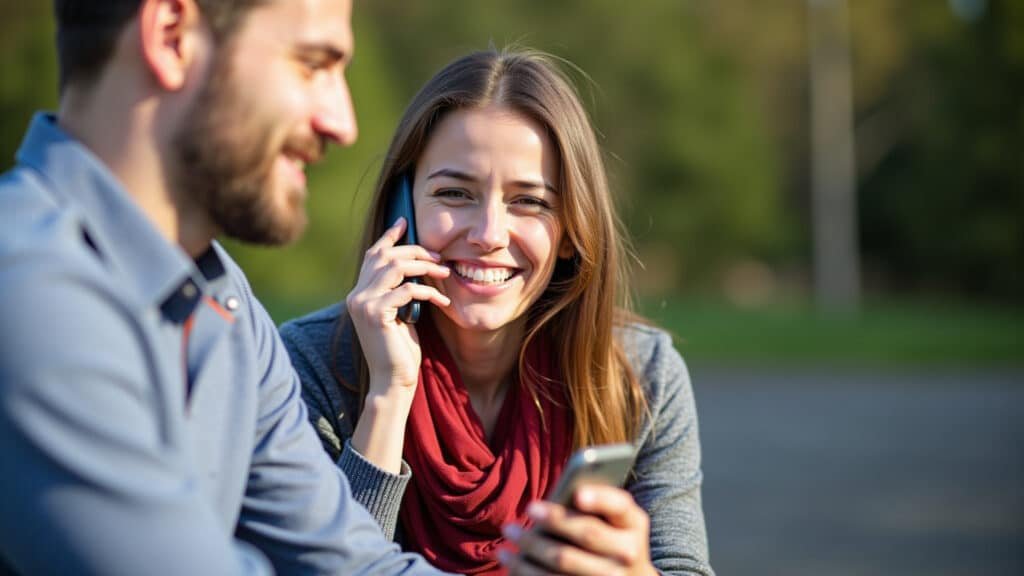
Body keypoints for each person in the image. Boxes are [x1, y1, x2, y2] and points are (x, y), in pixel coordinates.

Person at [0, 0, 450, 573]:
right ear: (171, 37)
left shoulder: (226, 303)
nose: (342, 122)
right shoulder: (28, 294)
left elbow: (353, 565)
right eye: (313, 63)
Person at [280, 49, 714, 575]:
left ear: (573, 230)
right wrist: (387, 395)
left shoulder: (641, 375)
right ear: (402, 209)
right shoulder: (309, 363)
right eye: (454, 193)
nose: (488, 234)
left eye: (528, 201)